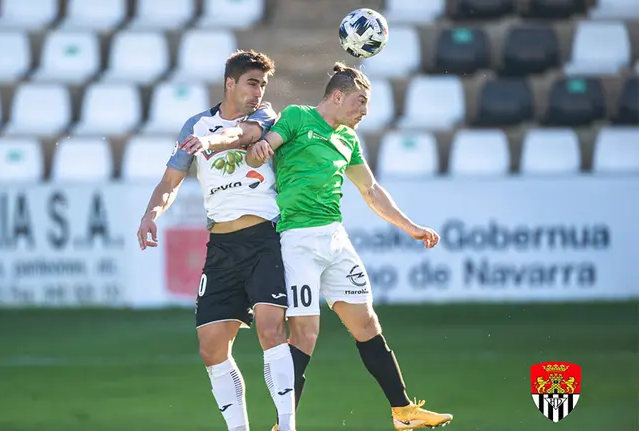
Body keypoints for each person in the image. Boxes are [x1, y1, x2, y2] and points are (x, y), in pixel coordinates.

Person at [248, 62, 453, 431]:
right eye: (360, 101)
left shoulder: (348, 140)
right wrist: (263, 145)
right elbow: (269, 144)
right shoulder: (298, 117)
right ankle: (283, 425)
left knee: (367, 323)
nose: (365, 111)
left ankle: (403, 412)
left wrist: (410, 227)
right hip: (296, 241)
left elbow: (371, 190)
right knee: (306, 335)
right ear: (337, 96)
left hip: (335, 239)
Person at [136, 50, 296, 431]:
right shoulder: (195, 124)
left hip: (264, 239)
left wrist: (209, 144)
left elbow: (239, 134)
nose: (259, 91)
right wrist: (150, 214)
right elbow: (170, 181)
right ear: (230, 83)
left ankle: (287, 425)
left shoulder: (265, 118)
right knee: (211, 347)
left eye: (262, 84)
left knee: (271, 330)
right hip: (222, 247)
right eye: (252, 83)